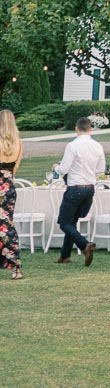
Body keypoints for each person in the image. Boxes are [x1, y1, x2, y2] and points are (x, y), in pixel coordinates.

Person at [55, 116, 105, 266]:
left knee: (64, 223)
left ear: (76, 129)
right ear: (90, 129)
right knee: (72, 221)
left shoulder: (72, 146)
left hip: (75, 187)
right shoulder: (97, 146)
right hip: (90, 188)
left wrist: (55, 168)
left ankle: (85, 245)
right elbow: (101, 169)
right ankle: (65, 255)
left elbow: (63, 169)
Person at [1, 109, 24, 279]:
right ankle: (16, 265)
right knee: (8, 225)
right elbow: (14, 169)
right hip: (9, 187)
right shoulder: (19, 143)